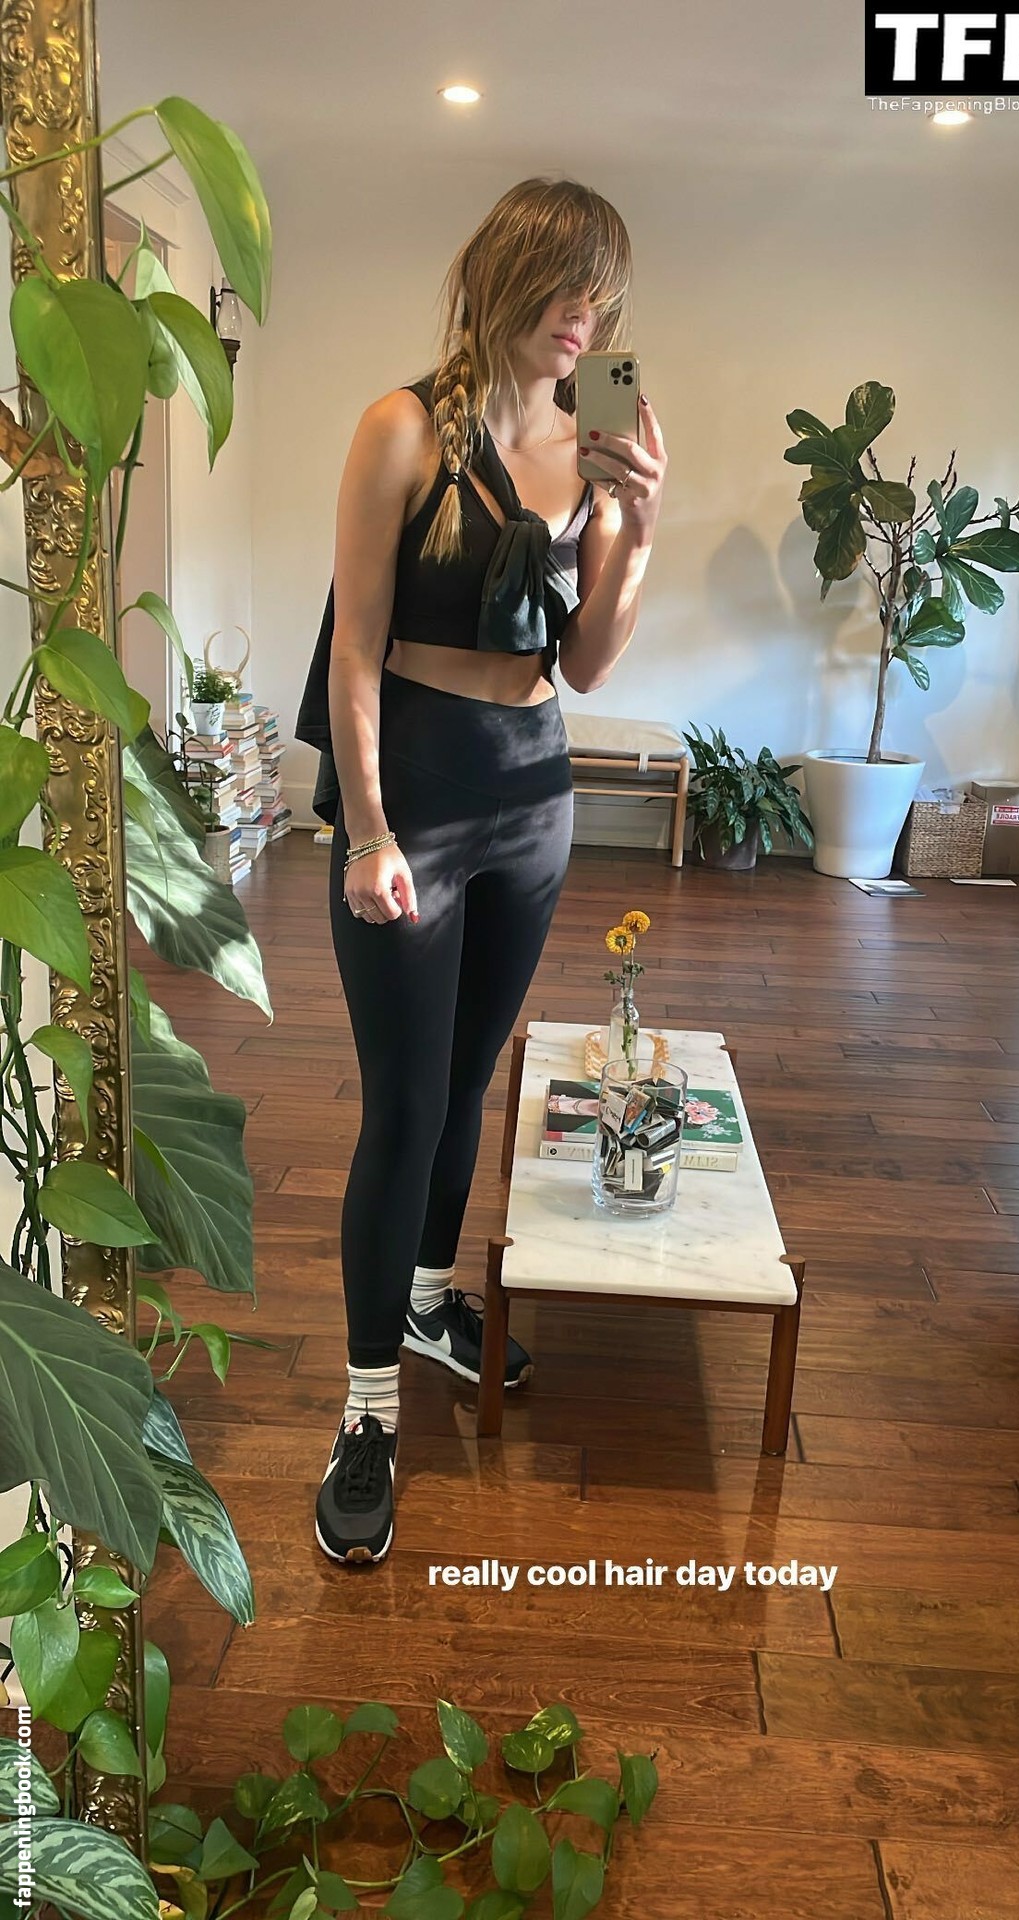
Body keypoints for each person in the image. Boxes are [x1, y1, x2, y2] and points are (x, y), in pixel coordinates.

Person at [295, 175, 667, 1565]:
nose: (586, 317)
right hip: (418, 790)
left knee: (467, 1081)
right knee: (402, 1104)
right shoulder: (403, 429)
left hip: (534, 793)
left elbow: (587, 662)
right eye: (568, 285)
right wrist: (369, 831)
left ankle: (428, 1296)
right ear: (508, 276)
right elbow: (356, 649)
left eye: (602, 297)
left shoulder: (592, 452)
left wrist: (640, 526)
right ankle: (365, 1409)